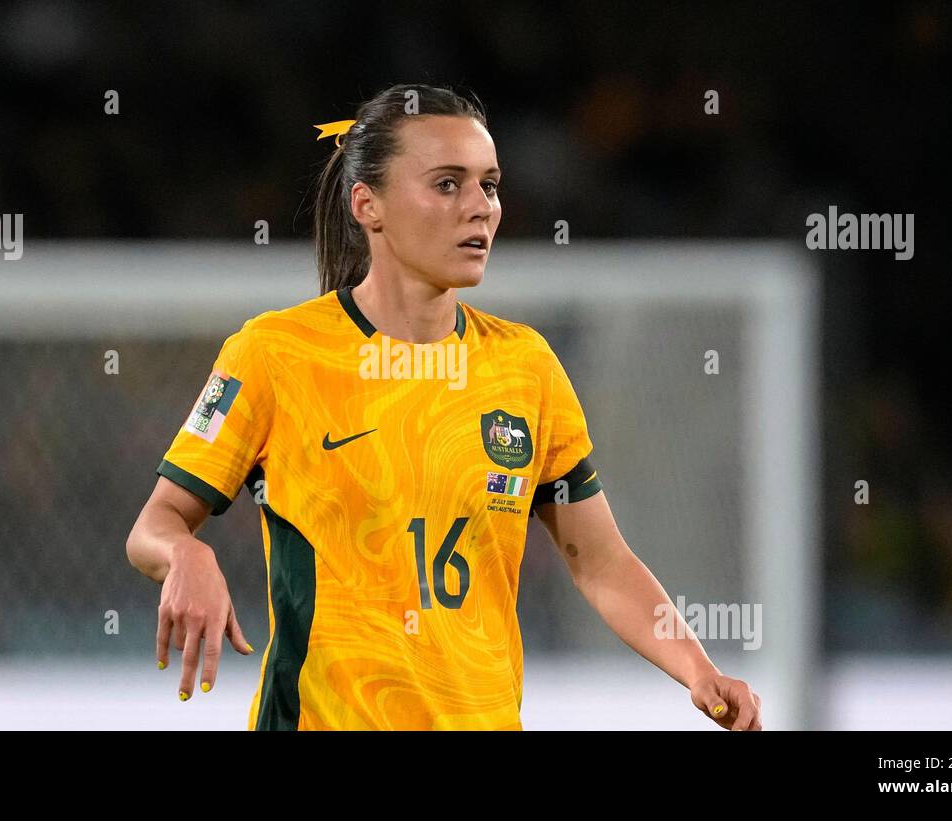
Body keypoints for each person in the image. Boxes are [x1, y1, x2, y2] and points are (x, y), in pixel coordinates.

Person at [126, 83, 762, 731]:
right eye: (448, 184)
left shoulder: (525, 366)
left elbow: (599, 560)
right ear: (368, 205)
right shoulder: (275, 353)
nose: (480, 208)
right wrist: (185, 554)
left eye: (489, 185)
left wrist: (697, 666)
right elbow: (155, 524)